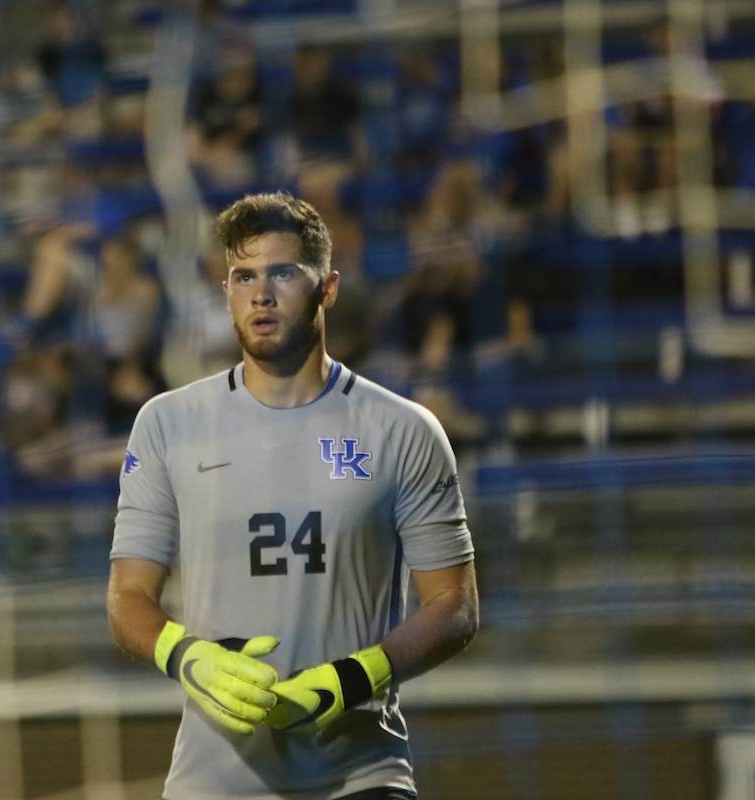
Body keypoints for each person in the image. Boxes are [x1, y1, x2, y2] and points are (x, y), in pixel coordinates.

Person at [107, 192, 479, 800]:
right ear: (226, 292)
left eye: (282, 272)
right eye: (243, 276)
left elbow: (456, 607)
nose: (261, 293)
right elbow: (127, 597)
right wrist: (184, 654)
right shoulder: (166, 423)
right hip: (212, 781)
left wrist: (357, 676)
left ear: (327, 288)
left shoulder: (403, 430)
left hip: (361, 774)